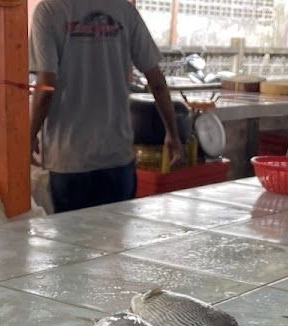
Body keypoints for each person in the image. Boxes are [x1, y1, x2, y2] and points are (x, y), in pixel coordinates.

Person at [30, 0, 186, 213]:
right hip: (117, 160)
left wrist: (30, 135)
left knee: (71, 235)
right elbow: (157, 82)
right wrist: (172, 134)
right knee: (116, 234)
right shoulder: (124, 10)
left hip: (70, 161)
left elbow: (46, 86)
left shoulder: (49, 10)